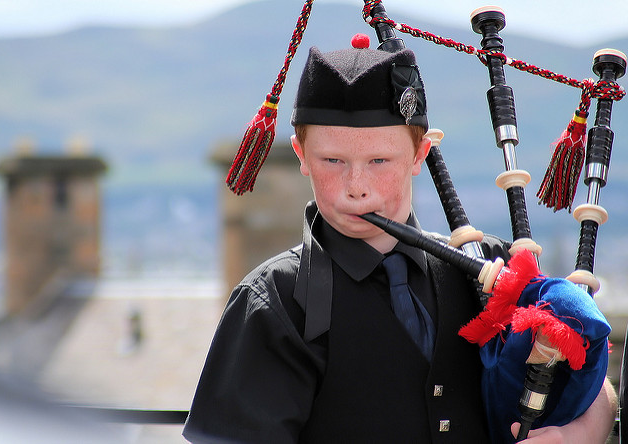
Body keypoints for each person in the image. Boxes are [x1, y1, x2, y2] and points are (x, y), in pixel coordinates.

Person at [183, 36, 617, 443]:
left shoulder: (493, 267)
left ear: (419, 155)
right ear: (301, 155)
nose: (357, 186)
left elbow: (596, 388)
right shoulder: (273, 302)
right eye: (332, 160)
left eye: (379, 160)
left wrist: (574, 435)